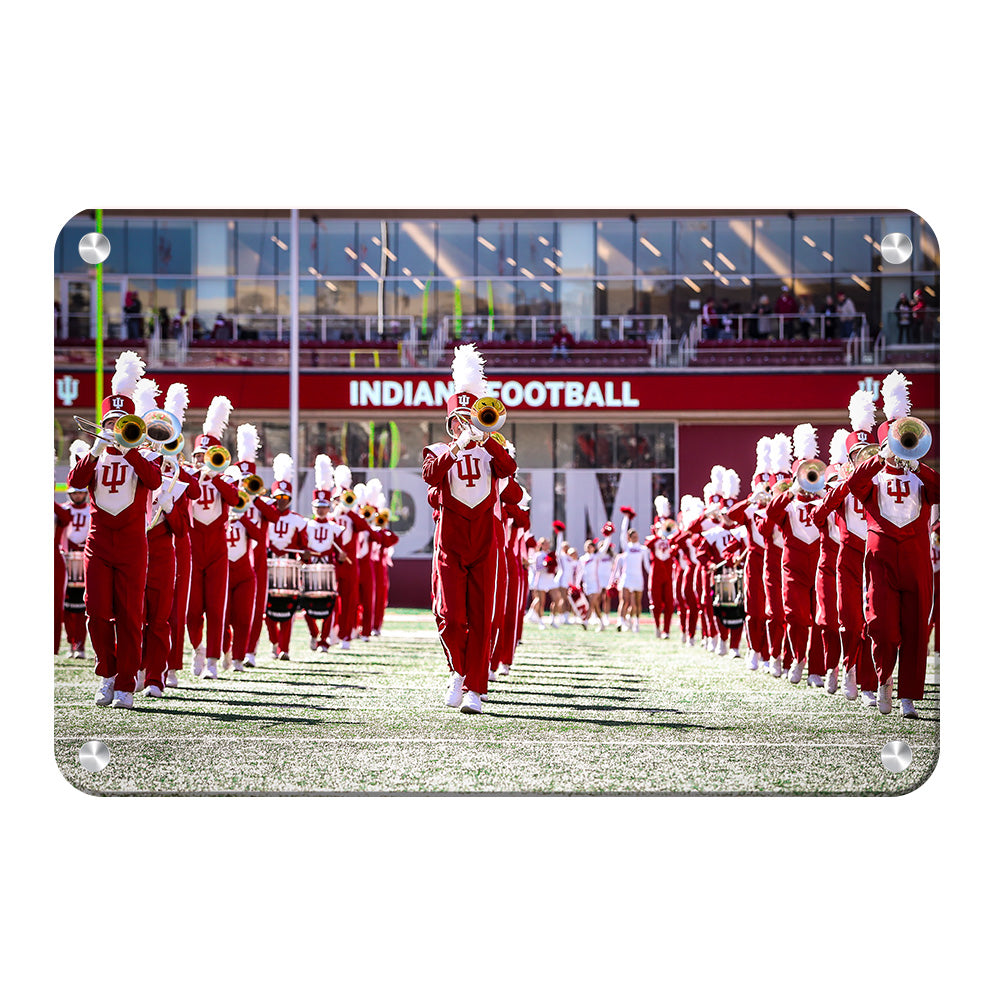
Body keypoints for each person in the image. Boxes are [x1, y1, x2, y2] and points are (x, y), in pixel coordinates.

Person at [422, 344, 517, 714]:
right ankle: (457, 672)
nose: (465, 425)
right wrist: (457, 446)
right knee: (450, 615)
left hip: (484, 540)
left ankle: (476, 689)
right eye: (458, 420)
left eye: (470, 418)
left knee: (481, 617)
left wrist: (487, 438)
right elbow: (431, 476)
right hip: (450, 540)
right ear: (450, 422)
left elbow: (509, 470)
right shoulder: (436, 450)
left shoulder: (493, 451)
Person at [66, 350, 162, 709]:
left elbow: (153, 481)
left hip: (133, 543)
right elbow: (75, 483)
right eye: (110, 422)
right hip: (99, 542)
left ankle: (125, 683)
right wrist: (95, 450)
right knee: (95, 610)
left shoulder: (146, 456)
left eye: (122, 423)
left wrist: (131, 449)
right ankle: (107, 673)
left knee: (130, 615)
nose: (115, 428)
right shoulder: (94, 456)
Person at [846, 370, 938, 719]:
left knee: (916, 628)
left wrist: (918, 465)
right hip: (881, 560)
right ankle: (884, 679)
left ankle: (908, 695)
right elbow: (854, 484)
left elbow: (942, 490)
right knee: (882, 626)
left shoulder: (920, 476)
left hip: (916, 558)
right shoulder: (872, 478)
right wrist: (878, 457)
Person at [186, 396, 241, 679]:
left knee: (217, 608)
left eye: (208, 455)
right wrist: (197, 476)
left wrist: (215, 475)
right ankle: (197, 648)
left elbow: (235, 499)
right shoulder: (186, 476)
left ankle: (212, 660)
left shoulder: (226, 479)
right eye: (199, 456)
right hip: (193, 547)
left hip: (218, 548)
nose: (202, 460)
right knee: (192, 609)